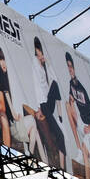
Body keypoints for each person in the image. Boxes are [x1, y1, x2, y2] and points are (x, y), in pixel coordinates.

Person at [22, 36, 66, 168]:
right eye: (38, 54)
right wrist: (39, 108)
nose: (40, 57)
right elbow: (38, 88)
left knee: (55, 85)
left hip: (48, 104)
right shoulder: (35, 64)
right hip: (44, 104)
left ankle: (60, 114)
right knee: (60, 136)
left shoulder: (45, 66)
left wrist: (47, 63)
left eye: (41, 53)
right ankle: (62, 166)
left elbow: (53, 81)